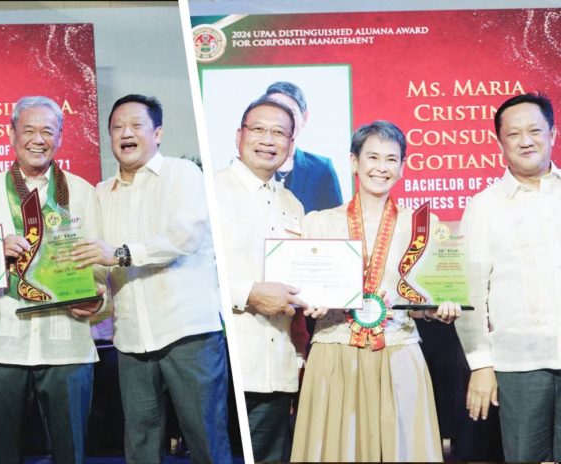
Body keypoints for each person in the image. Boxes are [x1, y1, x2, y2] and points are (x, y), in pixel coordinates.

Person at [72, 94, 232, 463]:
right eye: (116, 127)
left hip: (187, 332)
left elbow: (185, 237)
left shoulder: (182, 174)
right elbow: (99, 263)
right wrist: (91, 294)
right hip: (131, 339)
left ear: (157, 133)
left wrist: (122, 254)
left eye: (136, 125)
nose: (125, 133)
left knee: (206, 440)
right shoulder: (100, 193)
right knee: (141, 444)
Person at [290, 120, 461, 462]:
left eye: (391, 159)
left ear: (402, 166)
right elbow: (295, 290)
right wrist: (307, 300)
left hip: (398, 350)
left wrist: (438, 307)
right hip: (335, 350)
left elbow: (420, 303)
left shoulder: (424, 227)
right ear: (354, 162)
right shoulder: (317, 223)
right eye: (372, 157)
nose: (381, 167)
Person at [0, 96, 104, 464]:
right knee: (2, 450)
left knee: (70, 451)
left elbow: (101, 270)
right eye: (29, 130)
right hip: (2, 343)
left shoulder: (83, 191)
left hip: (67, 345)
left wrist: (95, 299)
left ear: (60, 137)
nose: (38, 139)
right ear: (11, 135)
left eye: (48, 131)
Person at [456, 92, 560, 462]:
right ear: (500, 142)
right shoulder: (483, 206)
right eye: (514, 134)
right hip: (519, 363)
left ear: (553, 132)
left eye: (535, 130)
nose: (526, 140)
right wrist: (481, 363)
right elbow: (470, 292)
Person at [213, 95, 307, 462]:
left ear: (291, 144)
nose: (268, 140)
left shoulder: (293, 205)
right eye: (259, 130)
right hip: (226, 365)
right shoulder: (213, 191)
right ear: (239, 135)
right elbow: (198, 273)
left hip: (277, 366)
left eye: (279, 133)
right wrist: (249, 293)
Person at [264, 81, 343, 213]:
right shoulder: (248, 168)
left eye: (291, 112)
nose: (283, 119)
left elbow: (336, 224)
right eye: (276, 111)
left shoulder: (322, 169)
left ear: (304, 118)